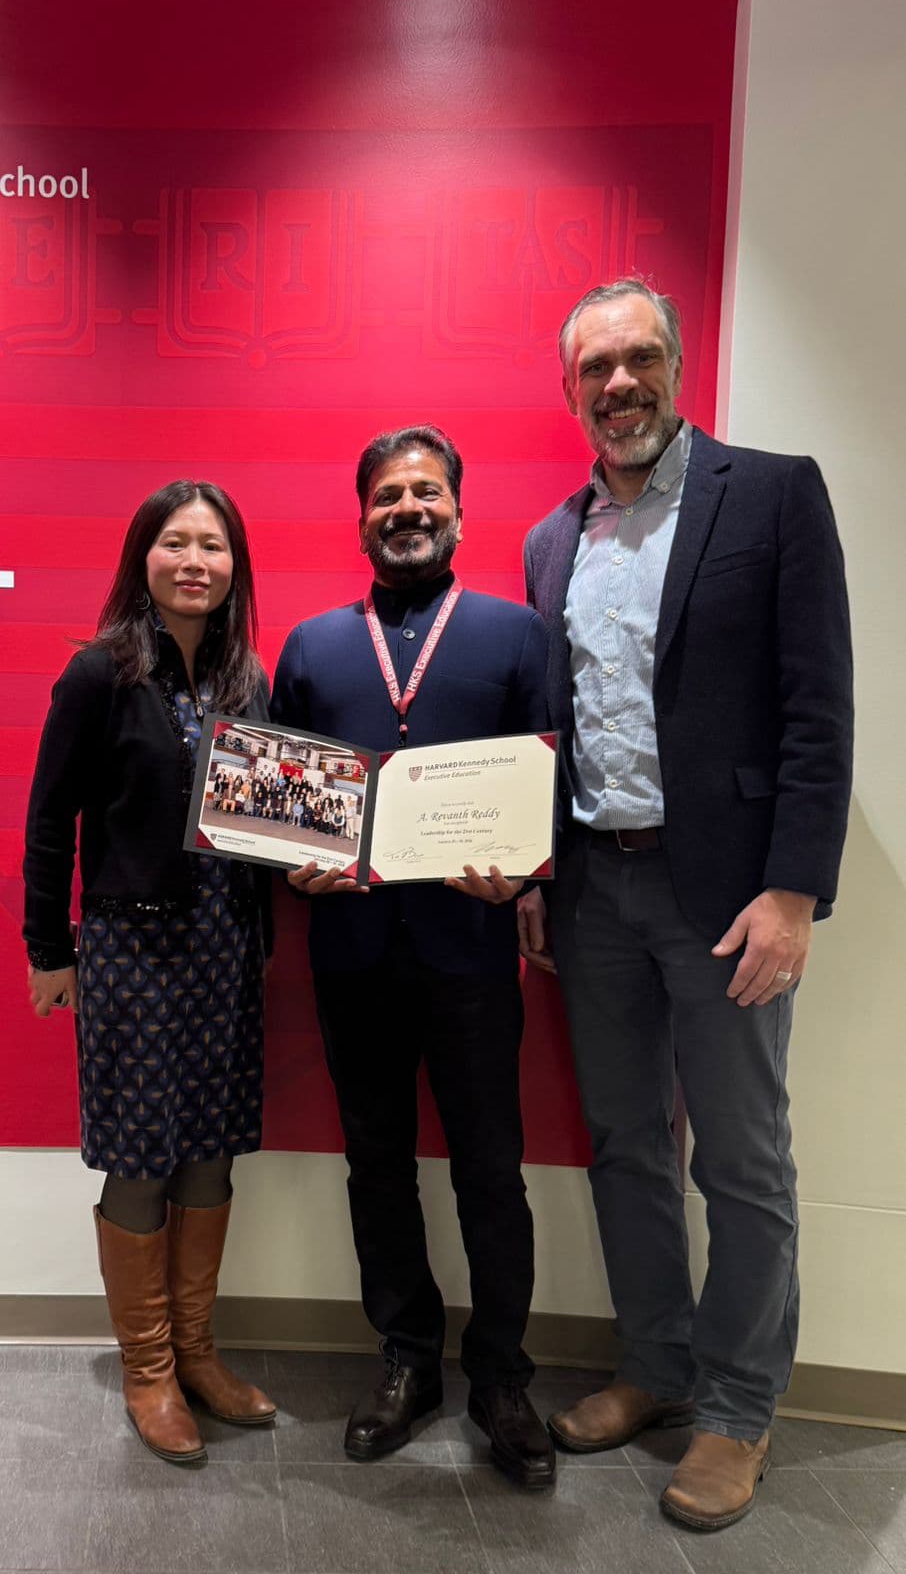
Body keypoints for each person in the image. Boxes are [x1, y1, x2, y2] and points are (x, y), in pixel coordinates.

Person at [519, 279, 853, 1530]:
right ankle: (654, 1367)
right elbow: (559, 734)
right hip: (595, 887)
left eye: (638, 357)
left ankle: (733, 1407)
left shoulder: (769, 494)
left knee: (743, 1160)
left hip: (727, 899)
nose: (618, 384)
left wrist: (790, 890)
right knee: (623, 1144)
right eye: (593, 368)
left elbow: (818, 707)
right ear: (569, 393)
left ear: (674, 364)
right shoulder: (551, 542)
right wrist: (542, 880)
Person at [271, 425, 556, 1490]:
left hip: (472, 949)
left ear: (455, 512)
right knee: (375, 1162)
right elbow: (280, 805)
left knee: (490, 1168)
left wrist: (524, 874)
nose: (406, 507)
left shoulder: (513, 635)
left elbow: (543, 785)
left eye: (425, 491)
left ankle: (500, 1377)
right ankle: (405, 1357)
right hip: (349, 951)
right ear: (361, 518)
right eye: (386, 493)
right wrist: (290, 864)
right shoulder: (310, 645)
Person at [22, 479, 278, 1464]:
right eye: (175, 543)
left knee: (209, 1148)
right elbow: (49, 820)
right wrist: (49, 948)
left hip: (224, 944)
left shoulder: (246, 679)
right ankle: (147, 1368)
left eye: (212, 546)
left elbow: (276, 809)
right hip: (130, 948)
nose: (193, 562)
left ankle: (199, 1354)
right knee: (140, 1156)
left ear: (232, 567)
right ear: (143, 558)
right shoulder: (98, 673)